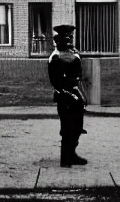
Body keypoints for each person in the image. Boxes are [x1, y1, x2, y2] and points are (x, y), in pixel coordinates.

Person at [48, 24, 87, 168]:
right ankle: (65, 159)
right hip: (64, 96)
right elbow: (56, 82)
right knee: (67, 128)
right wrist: (68, 94)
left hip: (75, 94)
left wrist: (81, 95)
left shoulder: (73, 54)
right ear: (58, 40)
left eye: (71, 38)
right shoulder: (56, 57)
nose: (70, 41)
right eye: (67, 38)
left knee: (77, 127)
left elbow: (78, 77)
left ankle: (72, 153)